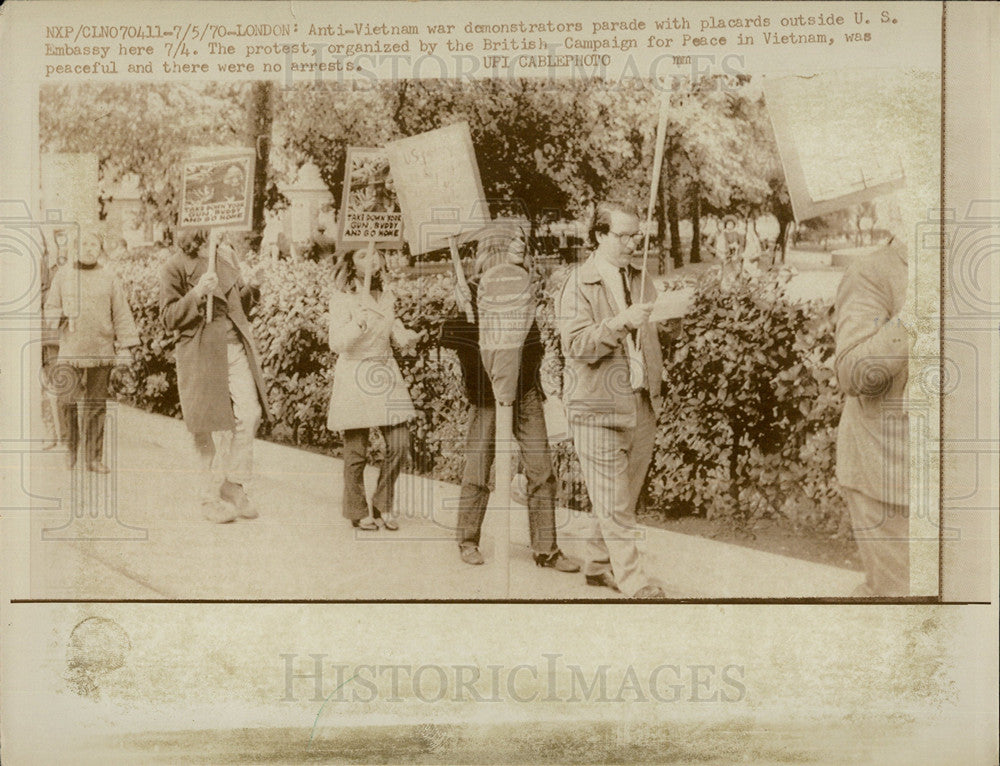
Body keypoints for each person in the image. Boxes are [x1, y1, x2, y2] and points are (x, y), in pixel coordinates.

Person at [440, 229, 580, 572]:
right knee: (478, 467)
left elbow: (534, 342)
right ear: (496, 251)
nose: (522, 248)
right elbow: (448, 338)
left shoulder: (522, 287)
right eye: (514, 244)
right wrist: (462, 312)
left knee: (541, 470)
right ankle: (468, 539)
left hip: (525, 392)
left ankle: (546, 548)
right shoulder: (471, 291)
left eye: (523, 244)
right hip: (487, 396)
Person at [558, 201, 669, 599]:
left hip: (640, 403)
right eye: (621, 235)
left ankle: (596, 564)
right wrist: (620, 322)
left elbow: (652, 338)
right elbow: (577, 345)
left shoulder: (641, 280)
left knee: (620, 495)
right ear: (599, 235)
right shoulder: (578, 283)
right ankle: (634, 580)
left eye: (635, 235)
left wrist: (674, 310)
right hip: (596, 407)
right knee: (616, 503)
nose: (631, 243)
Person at [159, 234, 270, 523]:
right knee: (205, 424)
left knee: (250, 412)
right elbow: (168, 317)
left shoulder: (226, 256)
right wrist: (196, 294)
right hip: (201, 349)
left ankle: (232, 482)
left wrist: (253, 286)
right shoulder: (176, 265)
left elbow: (239, 307)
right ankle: (208, 497)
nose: (219, 232)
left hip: (233, 346)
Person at [834, 225, 910, 597]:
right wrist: (913, 318)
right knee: (904, 601)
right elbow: (854, 373)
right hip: (888, 473)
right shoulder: (871, 272)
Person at [327, 248, 420, 531]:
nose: (372, 259)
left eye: (375, 254)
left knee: (400, 443)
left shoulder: (386, 294)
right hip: (356, 373)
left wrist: (406, 337)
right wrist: (357, 323)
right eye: (363, 256)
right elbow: (337, 343)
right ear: (350, 264)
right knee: (357, 450)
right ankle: (357, 509)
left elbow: (391, 328)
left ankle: (383, 503)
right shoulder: (342, 298)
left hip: (384, 371)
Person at [44, 231, 139, 472]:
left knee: (97, 404)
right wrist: (63, 315)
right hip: (70, 350)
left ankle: (94, 458)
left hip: (101, 351)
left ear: (100, 248)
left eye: (94, 244)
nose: (89, 248)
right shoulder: (63, 276)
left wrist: (126, 346)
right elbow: (50, 308)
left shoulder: (109, 278)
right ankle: (70, 449)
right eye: (85, 243)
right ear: (77, 247)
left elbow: (121, 313)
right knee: (68, 401)